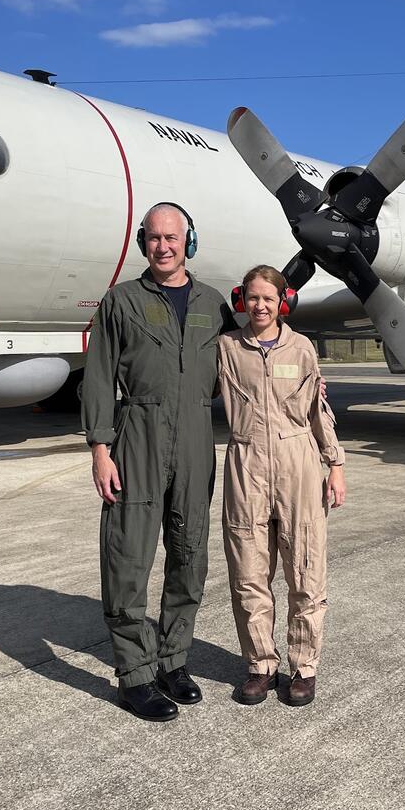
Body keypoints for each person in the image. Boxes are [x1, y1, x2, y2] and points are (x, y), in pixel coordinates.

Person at [81, 202, 237, 722]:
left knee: (190, 556)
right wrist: (101, 450)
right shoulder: (120, 302)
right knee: (128, 558)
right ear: (143, 242)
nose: (162, 247)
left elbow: (248, 362)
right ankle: (135, 676)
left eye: (171, 237)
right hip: (138, 436)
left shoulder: (215, 304)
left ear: (188, 240)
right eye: (153, 238)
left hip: (195, 435)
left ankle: (173, 660)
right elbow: (100, 378)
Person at [218, 265, 346, 707]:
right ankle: (260, 666)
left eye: (268, 298)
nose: (260, 306)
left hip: (299, 466)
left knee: (305, 571)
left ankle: (304, 668)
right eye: (252, 298)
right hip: (246, 463)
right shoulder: (227, 349)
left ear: (282, 302)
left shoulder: (302, 348)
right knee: (249, 572)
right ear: (242, 300)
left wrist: (336, 464)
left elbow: (318, 409)